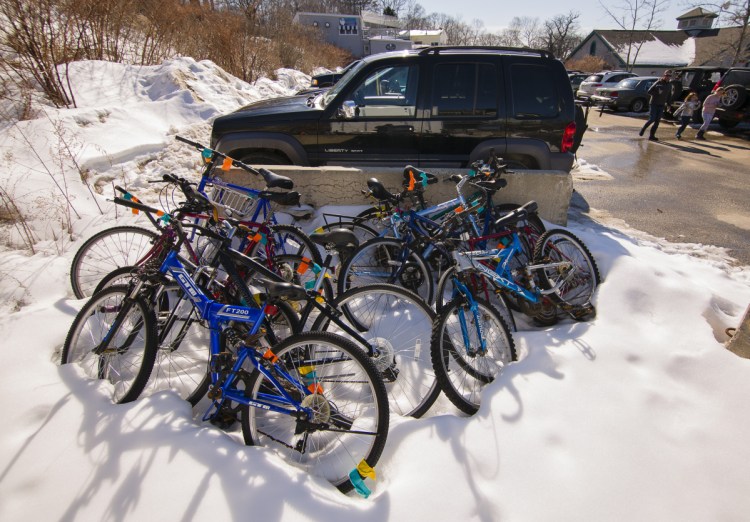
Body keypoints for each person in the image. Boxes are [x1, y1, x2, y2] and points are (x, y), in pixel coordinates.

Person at [639, 72, 672, 141]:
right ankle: (643, 129)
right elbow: (649, 91)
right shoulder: (658, 82)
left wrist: (669, 104)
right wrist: (657, 93)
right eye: (666, 75)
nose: (668, 77)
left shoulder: (669, 85)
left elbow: (669, 95)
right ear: (664, 75)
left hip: (661, 104)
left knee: (657, 121)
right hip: (654, 103)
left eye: (669, 76)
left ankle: (652, 136)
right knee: (652, 119)